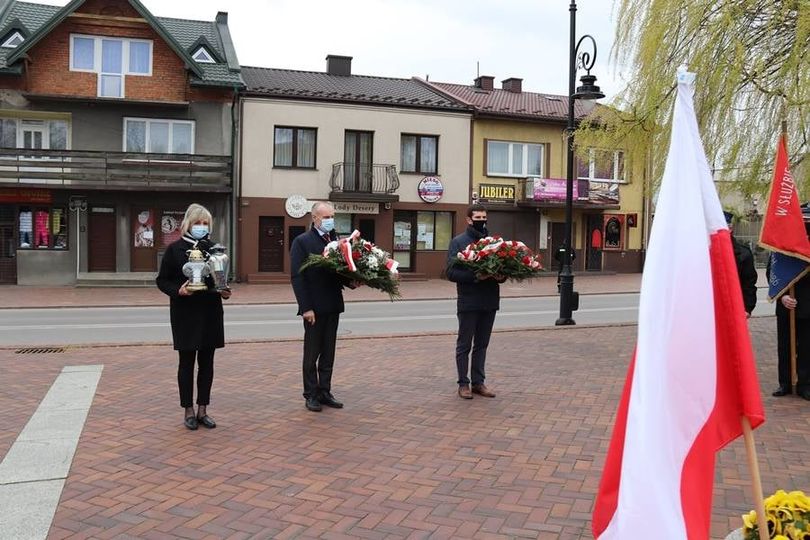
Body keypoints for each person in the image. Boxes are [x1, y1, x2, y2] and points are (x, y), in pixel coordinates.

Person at [156, 203, 231, 430]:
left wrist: (224, 290)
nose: (202, 226)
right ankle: (188, 410)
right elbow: (162, 280)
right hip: (185, 313)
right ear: (188, 224)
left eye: (205, 223)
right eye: (198, 222)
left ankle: (203, 409)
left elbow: (221, 278)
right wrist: (178, 290)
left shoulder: (214, 250)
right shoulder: (175, 249)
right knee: (186, 363)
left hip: (210, 312)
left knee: (207, 364)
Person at [290, 201, 356, 412]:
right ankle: (311, 394)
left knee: (328, 352)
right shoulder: (302, 242)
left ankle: (324, 391)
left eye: (332, 217)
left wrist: (352, 281)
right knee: (312, 354)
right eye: (326, 217)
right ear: (315, 218)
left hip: (333, 304)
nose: (330, 221)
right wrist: (306, 307)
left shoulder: (336, 241)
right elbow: (297, 277)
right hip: (314, 308)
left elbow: (338, 272)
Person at [446, 204, 503, 399]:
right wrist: (477, 276)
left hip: (489, 300)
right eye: (478, 217)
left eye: (484, 217)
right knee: (464, 345)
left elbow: (503, 268)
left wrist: (500, 276)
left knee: (482, 344)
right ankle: (463, 384)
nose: (482, 220)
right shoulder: (458, 242)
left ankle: (479, 383)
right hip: (469, 301)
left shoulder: (493, 243)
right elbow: (451, 272)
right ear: (469, 219)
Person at [771, 205, 810, 399]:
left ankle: (805, 385)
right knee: (784, 346)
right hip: (786, 304)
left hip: (808, 306)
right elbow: (773, 272)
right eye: (803, 220)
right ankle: (785, 383)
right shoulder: (782, 245)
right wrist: (783, 296)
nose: (806, 224)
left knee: (807, 347)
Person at [724, 211, 758, 316]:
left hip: (733, 306)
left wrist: (747, 308)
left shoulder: (743, 253)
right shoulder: (703, 252)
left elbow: (749, 283)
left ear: (730, 228)